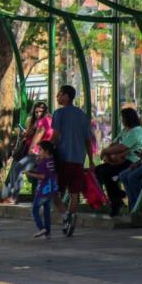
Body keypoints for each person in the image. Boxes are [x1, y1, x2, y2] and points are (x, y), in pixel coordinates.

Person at [50, 85, 96, 237]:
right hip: (78, 159)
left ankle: (66, 217)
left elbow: (55, 134)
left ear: (66, 96)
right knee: (74, 192)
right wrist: (91, 160)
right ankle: (71, 216)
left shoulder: (58, 113)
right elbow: (88, 140)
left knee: (54, 192)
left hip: (63, 158)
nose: (57, 97)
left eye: (59, 94)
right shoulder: (82, 115)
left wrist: (46, 148)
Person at [94, 107, 142, 216]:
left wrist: (105, 151)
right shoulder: (125, 130)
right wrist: (107, 154)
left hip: (131, 162)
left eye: (123, 118)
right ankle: (117, 196)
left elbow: (122, 147)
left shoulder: (137, 131)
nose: (122, 120)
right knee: (98, 170)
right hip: (119, 160)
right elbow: (114, 143)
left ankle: (116, 202)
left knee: (106, 172)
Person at [4, 101, 52, 204]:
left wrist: (31, 150)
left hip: (35, 152)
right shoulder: (46, 121)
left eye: (41, 112)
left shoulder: (43, 122)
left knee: (17, 169)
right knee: (20, 170)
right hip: (38, 152)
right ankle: (12, 195)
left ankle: (14, 197)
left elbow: (36, 138)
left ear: (45, 111)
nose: (38, 114)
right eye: (36, 112)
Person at [26, 140, 58, 238]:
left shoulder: (43, 163)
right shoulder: (52, 161)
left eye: (40, 150)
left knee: (35, 210)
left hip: (42, 191)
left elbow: (42, 176)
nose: (39, 152)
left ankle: (41, 228)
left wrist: (29, 173)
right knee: (47, 212)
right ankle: (48, 232)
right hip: (51, 190)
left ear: (46, 151)